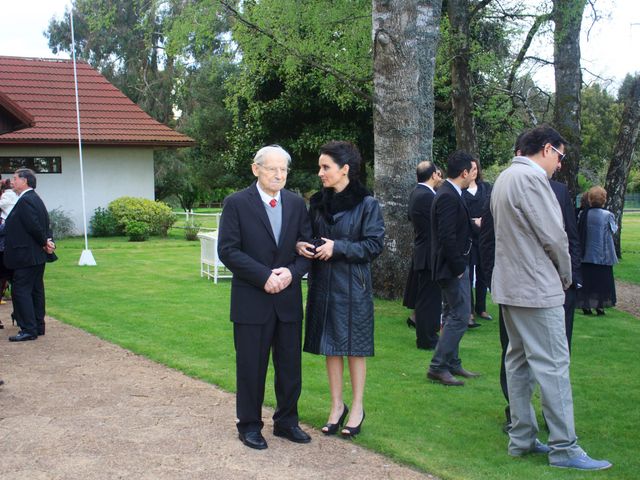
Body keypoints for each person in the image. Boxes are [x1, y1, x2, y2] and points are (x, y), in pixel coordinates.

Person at [491, 125, 611, 470]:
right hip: (535, 287)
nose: (559, 164)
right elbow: (555, 237)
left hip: (511, 286)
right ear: (546, 149)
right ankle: (564, 448)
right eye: (560, 156)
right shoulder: (530, 179)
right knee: (553, 366)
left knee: (518, 362)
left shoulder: (505, 177)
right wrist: (567, 275)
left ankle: (523, 438)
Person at [217, 145, 313, 450]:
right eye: (273, 169)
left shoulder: (297, 204)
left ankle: (286, 422)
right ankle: (249, 426)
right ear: (256, 169)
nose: (279, 175)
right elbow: (228, 250)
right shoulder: (236, 204)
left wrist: (291, 273)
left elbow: (306, 247)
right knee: (251, 368)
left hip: (287, 301)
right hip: (251, 302)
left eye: (283, 169)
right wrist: (264, 276)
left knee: (290, 368)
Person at [297, 141, 384, 437]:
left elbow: (374, 245)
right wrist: (301, 244)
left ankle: (357, 407)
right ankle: (337, 406)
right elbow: (307, 235)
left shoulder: (368, 204)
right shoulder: (317, 203)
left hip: (354, 287)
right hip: (323, 285)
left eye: (326, 167)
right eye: (320, 167)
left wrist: (338, 247)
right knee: (329, 348)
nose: (320, 172)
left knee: (354, 349)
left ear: (345, 169)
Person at [426, 150, 479, 387]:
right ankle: (438, 366)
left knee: (451, 314)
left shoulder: (452, 193)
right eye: (474, 171)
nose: (475, 176)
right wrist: (458, 267)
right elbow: (446, 236)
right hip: (451, 267)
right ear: (464, 172)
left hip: (454, 265)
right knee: (460, 314)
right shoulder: (448, 195)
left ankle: (452, 362)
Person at [3, 169, 56, 342]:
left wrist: (44, 242)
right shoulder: (35, 199)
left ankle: (28, 329)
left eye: (15, 178)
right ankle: (38, 326)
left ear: (25, 181)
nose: (12, 181)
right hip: (35, 255)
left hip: (26, 255)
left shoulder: (26, 200)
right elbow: (45, 224)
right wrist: (48, 241)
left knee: (21, 291)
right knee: (35, 290)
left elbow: (34, 226)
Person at [407, 160, 443, 350]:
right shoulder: (426, 196)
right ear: (433, 175)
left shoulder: (417, 193)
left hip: (423, 250)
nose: (440, 177)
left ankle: (427, 336)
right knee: (429, 299)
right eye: (438, 173)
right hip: (429, 253)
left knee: (426, 298)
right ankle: (427, 339)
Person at [576, 186, 618, 316]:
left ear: (590, 199)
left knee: (588, 281)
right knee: (602, 282)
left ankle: (586, 305)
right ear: (604, 199)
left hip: (586, 254)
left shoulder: (583, 214)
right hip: (602, 255)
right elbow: (613, 229)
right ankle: (600, 307)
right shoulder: (607, 215)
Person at [462, 158, 492, 327]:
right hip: (468, 238)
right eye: (470, 168)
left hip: (485, 237)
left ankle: (482, 308)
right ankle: (469, 311)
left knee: (483, 273)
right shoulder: (462, 191)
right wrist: (473, 222)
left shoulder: (486, 188)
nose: (474, 171)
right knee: (469, 274)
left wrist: (484, 221)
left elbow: (492, 208)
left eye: (475, 168)